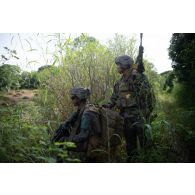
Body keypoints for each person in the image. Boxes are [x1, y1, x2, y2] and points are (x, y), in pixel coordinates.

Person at [103, 55, 154, 161]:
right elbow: (114, 99)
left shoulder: (139, 77)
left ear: (125, 65)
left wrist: (147, 113)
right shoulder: (119, 83)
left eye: (118, 65)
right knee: (130, 147)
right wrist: (106, 106)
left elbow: (148, 96)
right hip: (126, 119)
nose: (117, 67)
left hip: (140, 117)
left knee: (146, 145)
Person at [52, 87, 101, 162]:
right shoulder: (81, 109)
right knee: (63, 134)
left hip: (90, 144)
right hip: (87, 140)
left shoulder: (87, 113)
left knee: (62, 142)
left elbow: (83, 135)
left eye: (73, 97)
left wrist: (68, 140)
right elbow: (70, 123)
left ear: (79, 98)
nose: (71, 100)